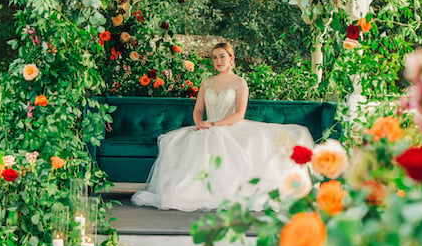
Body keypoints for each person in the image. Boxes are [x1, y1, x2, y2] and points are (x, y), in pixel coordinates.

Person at [131, 42, 314, 212]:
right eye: (215, 57)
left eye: (222, 56)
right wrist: (200, 124)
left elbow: (239, 114)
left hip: (229, 125)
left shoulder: (240, 83)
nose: (218, 61)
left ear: (231, 58)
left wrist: (215, 124)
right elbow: (198, 110)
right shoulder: (207, 82)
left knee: (247, 143)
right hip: (205, 126)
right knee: (173, 142)